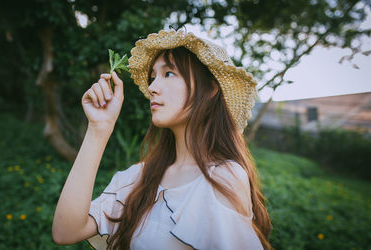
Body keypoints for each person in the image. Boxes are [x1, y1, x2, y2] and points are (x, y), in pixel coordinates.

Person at [52, 28, 273, 250]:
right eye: (152, 77)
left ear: (210, 89)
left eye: (168, 73)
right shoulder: (139, 177)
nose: (152, 88)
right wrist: (98, 129)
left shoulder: (224, 178)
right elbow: (66, 231)